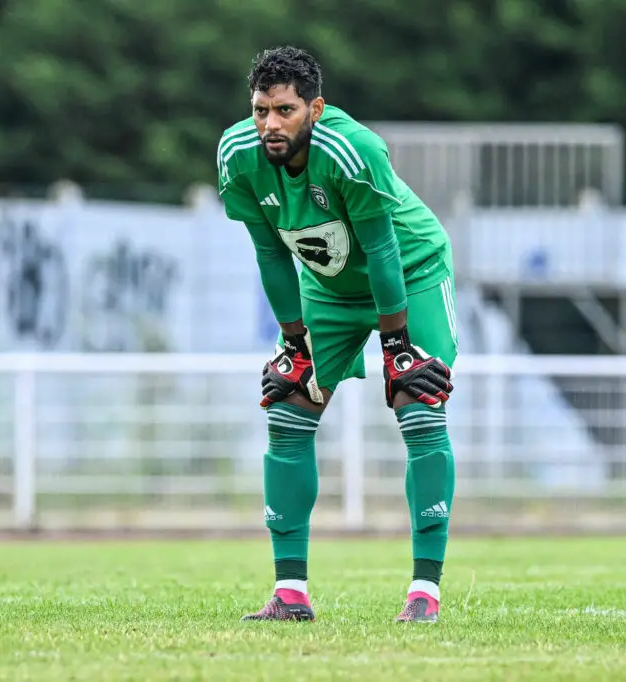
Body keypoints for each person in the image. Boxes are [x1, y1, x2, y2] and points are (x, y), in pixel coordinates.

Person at [217, 45, 458, 624]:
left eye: (285, 110)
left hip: (411, 274)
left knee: (420, 405)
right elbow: (270, 253)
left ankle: (424, 592)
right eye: (260, 110)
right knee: (288, 410)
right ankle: (290, 594)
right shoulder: (236, 155)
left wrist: (397, 346)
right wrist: (293, 343)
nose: (271, 124)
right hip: (328, 288)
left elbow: (383, 247)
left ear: (316, 109)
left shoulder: (354, 150)